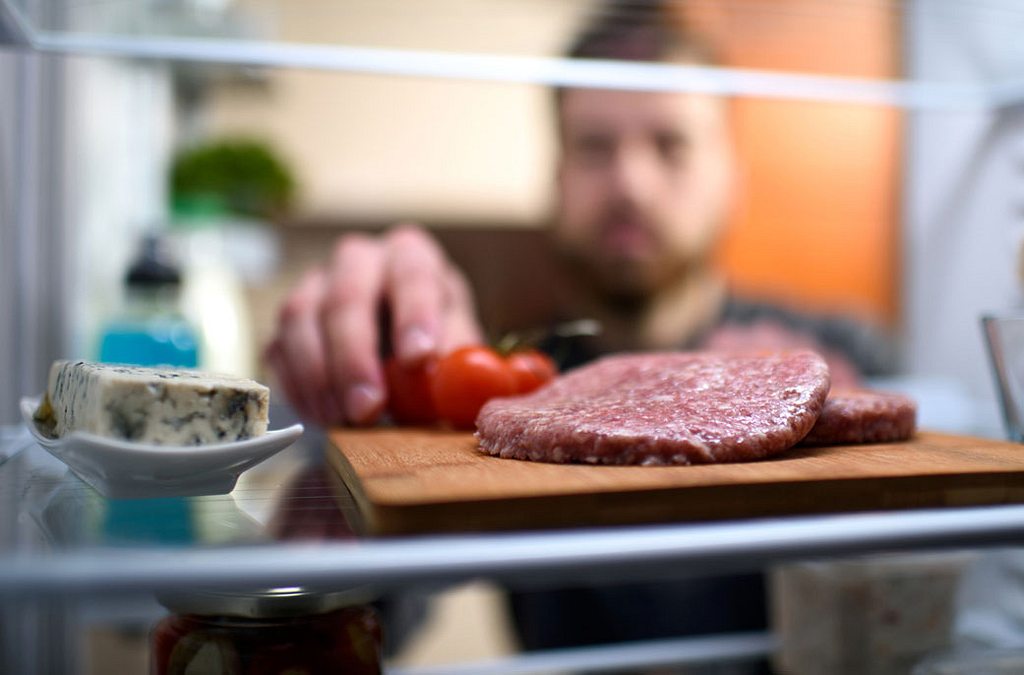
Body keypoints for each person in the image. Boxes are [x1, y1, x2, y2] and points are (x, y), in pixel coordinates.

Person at [267, 1, 894, 670]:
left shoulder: (846, 353)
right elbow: (354, 619)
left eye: (670, 144)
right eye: (595, 147)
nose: (629, 182)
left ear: (730, 176)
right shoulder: (508, 401)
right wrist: (365, 426)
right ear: (558, 178)